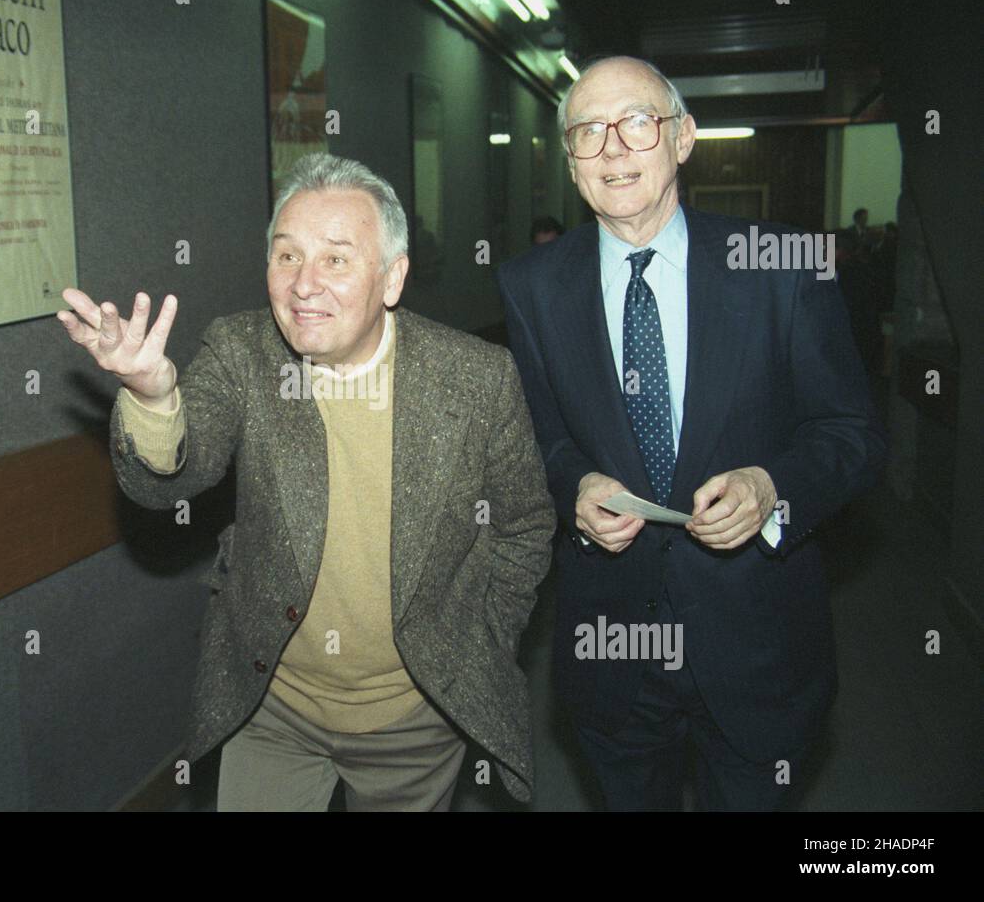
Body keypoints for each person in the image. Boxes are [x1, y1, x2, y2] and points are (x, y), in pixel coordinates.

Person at [60, 153, 555, 811]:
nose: (303, 284)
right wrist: (153, 398)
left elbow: (524, 524)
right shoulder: (241, 353)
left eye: (337, 259)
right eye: (287, 256)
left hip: (414, 716)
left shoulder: (476, 379)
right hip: (274, 707)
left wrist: (476, 636)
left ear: (392, 277)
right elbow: (178, 471)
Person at [497, 57, 886, 811]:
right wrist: (574, 484)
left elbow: (854, 432)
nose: (612, 149)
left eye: (637, 123)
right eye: (587, 131)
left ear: (683, 137)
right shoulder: (532, 285)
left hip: (758, 647)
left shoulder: (783, 265)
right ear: (570, 160)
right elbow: (539, 434)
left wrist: (771, 486)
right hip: (614, 652)